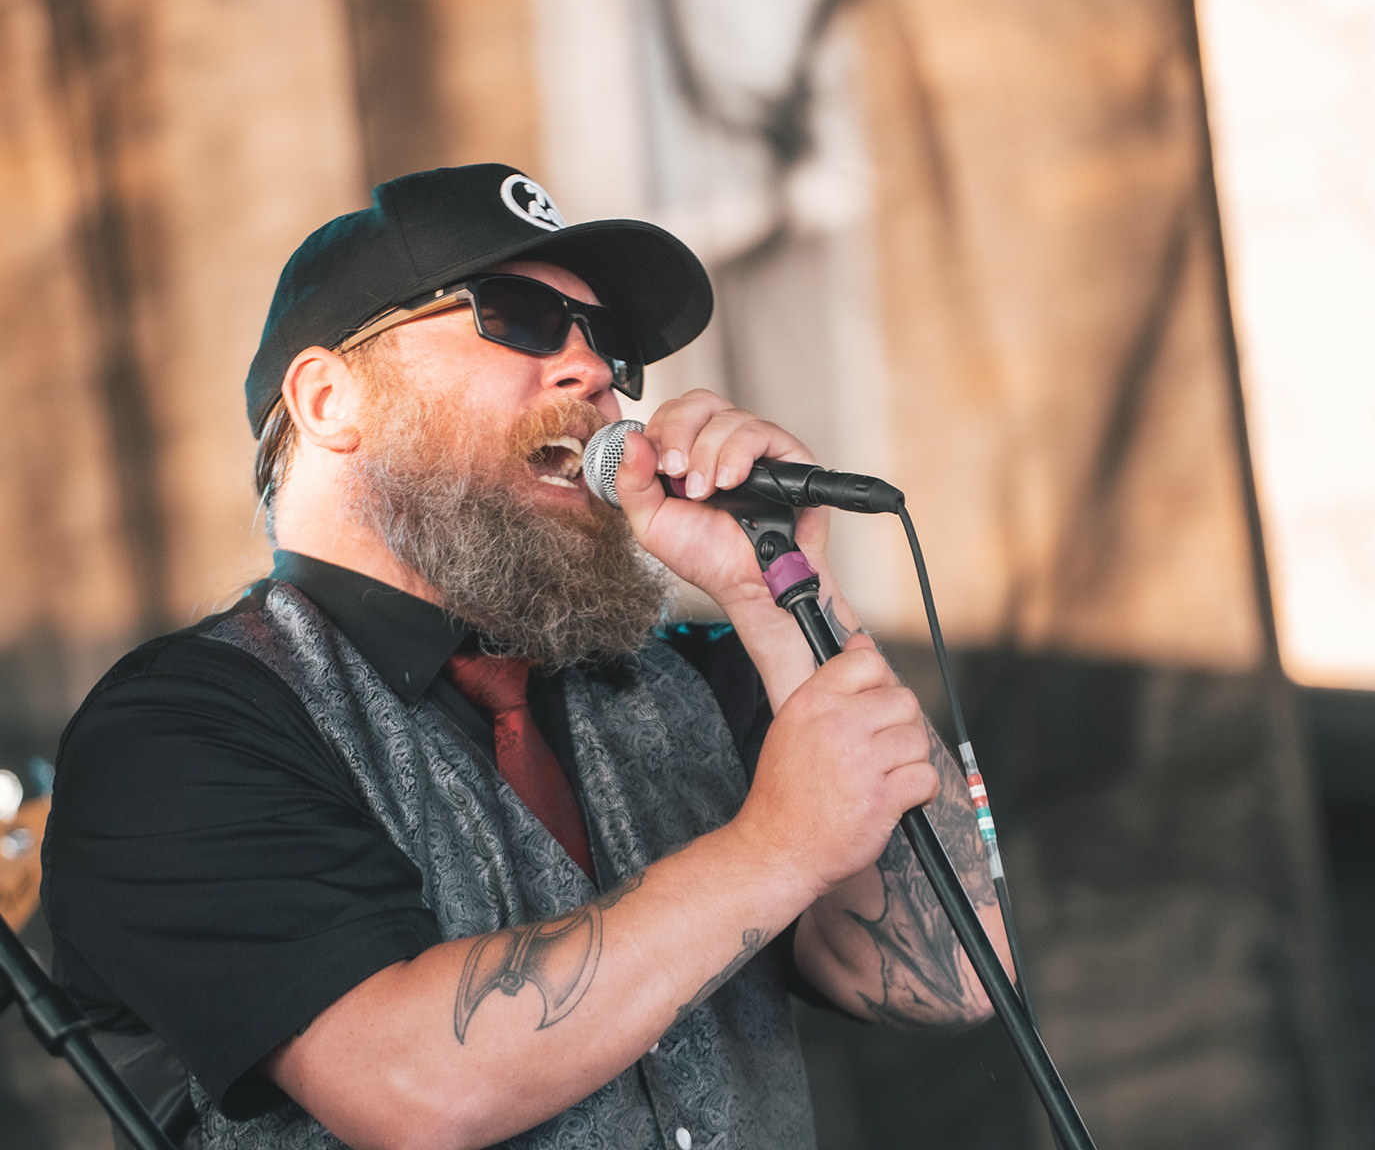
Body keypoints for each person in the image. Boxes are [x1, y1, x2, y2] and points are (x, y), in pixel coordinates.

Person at [42, 164, 1006, 1150]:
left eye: (609, 344)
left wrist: (777, 596)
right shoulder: (177, 734)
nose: (591, 373)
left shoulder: (699, 681)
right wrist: (774, 851)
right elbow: (411, 1088)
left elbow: (959, 977)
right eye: (517, 315)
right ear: (331, 398)